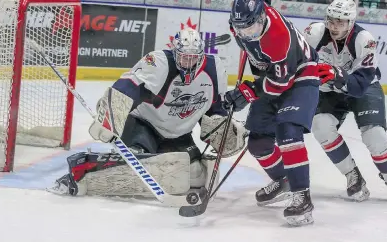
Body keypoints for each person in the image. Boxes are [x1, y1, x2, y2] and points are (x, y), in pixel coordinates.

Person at [48, 28, 247, 199]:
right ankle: (81, 176)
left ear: (201, 55)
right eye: (183, 57)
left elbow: (215, 110)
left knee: (195, 176)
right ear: (175, 52)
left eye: (192, 58)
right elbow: (128, 87)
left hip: (178, 134)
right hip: (143, 125)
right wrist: (111, 116)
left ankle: (152, 162)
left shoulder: (214, 70)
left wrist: (224, 126)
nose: (187, 62)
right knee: (138, 165)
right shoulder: (159, 62)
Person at [303, 0, 387, 202]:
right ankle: (352, 175)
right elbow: (297, 63)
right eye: (331, 20)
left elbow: (358, 86)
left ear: (351, 22)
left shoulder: (365, 40)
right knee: (320, 126)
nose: (334, 26)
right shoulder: (314, 33)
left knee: (374, 135)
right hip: (329, 91)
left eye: (341, 22)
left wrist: (337, 74)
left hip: (364, 89)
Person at [224, 0, 320, 226]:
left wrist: (249, 90)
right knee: (258, 143)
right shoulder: (241, 23)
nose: (246, 33)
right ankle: (283, 179)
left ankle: (302, 196)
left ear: (262, 18)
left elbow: (279, 85)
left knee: (288, 132)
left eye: (251, 28)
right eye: (241, 28)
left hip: (300, 75)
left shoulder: (277, 37)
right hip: (273, 74)